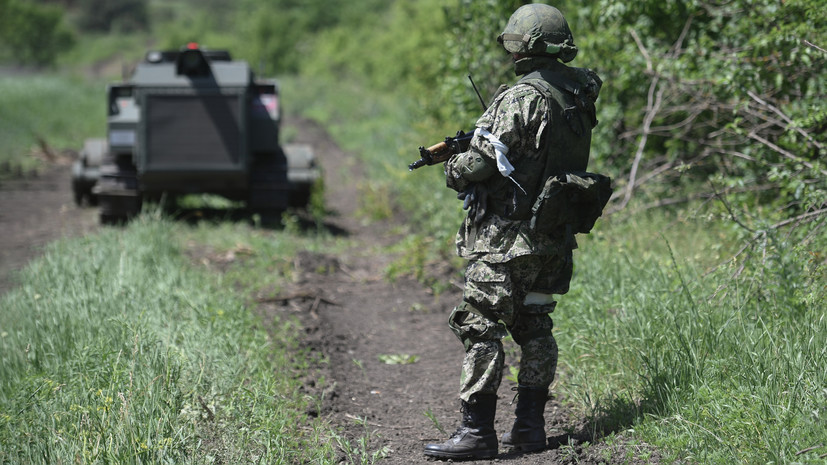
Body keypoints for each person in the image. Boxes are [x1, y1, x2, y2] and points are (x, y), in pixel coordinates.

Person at [423, 3, 604, 460]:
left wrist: (453, 168)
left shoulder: (522, 96)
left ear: (521, 45)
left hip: (508, 239)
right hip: (554, 233)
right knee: (533, 324)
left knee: (479, 324)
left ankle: (476, 432)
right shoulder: (578, 91)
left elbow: (481, 163)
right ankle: (529, 428)